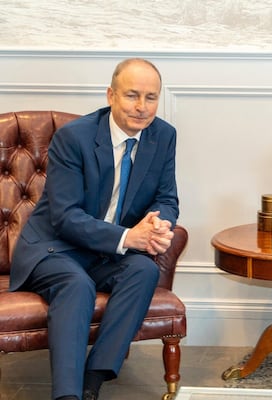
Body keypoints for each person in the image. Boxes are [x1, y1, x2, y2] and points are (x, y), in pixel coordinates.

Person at [9, 58, 179, 400]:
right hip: (54, 245)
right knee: (76, 285)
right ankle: (67, 395)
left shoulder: (163, 136)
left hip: (106, 249)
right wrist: (129, 236)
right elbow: (65, 216)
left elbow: (167, 197)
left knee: (144, 270)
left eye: (151, 97)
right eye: (132, 95)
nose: (142, 107)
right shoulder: (75, 137)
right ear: (111, 96)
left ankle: (94, 377)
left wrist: (158, 224)